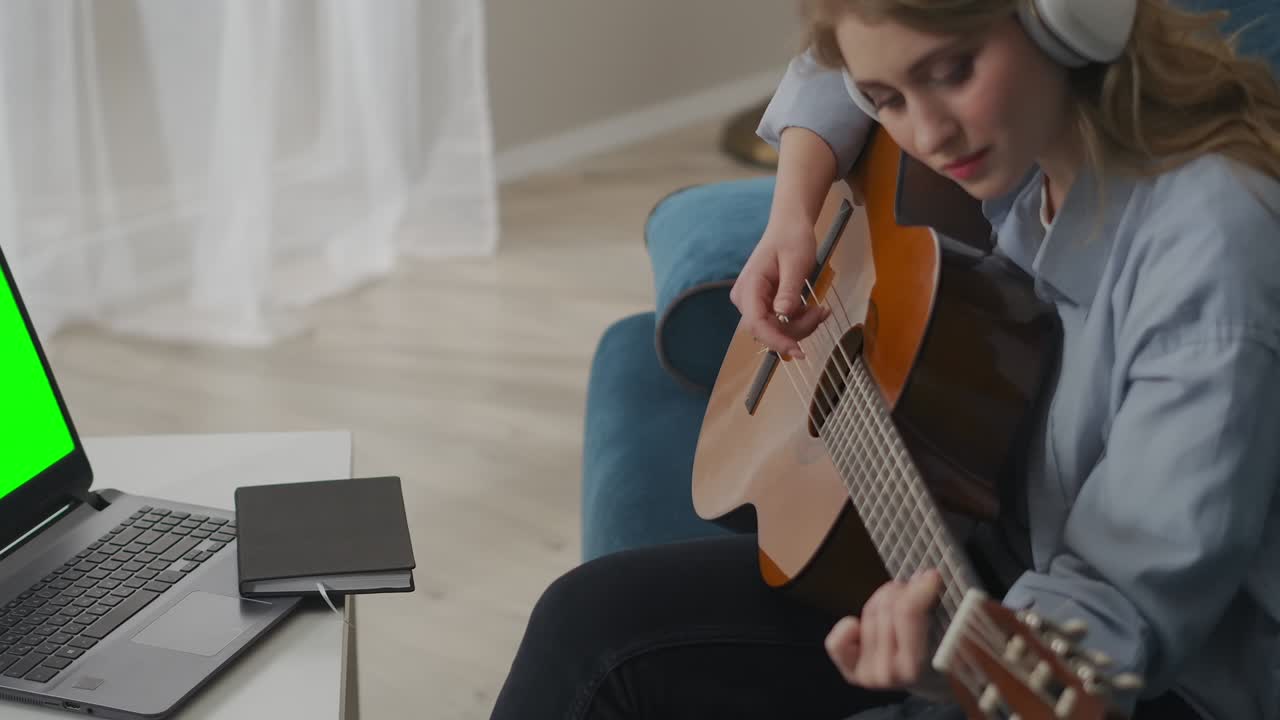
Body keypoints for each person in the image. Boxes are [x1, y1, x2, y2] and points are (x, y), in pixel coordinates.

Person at [489, 1, 1280, 718]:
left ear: (1072, 19)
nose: (929, 136)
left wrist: (965, 674)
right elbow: (847, 54)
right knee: (590, 626)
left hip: (1155, 684)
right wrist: (793, 214)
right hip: (1003, 560)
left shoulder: (1211, 250)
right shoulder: (1032, 145)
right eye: (890, 100)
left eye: (953, 73)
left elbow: (1113, 622)